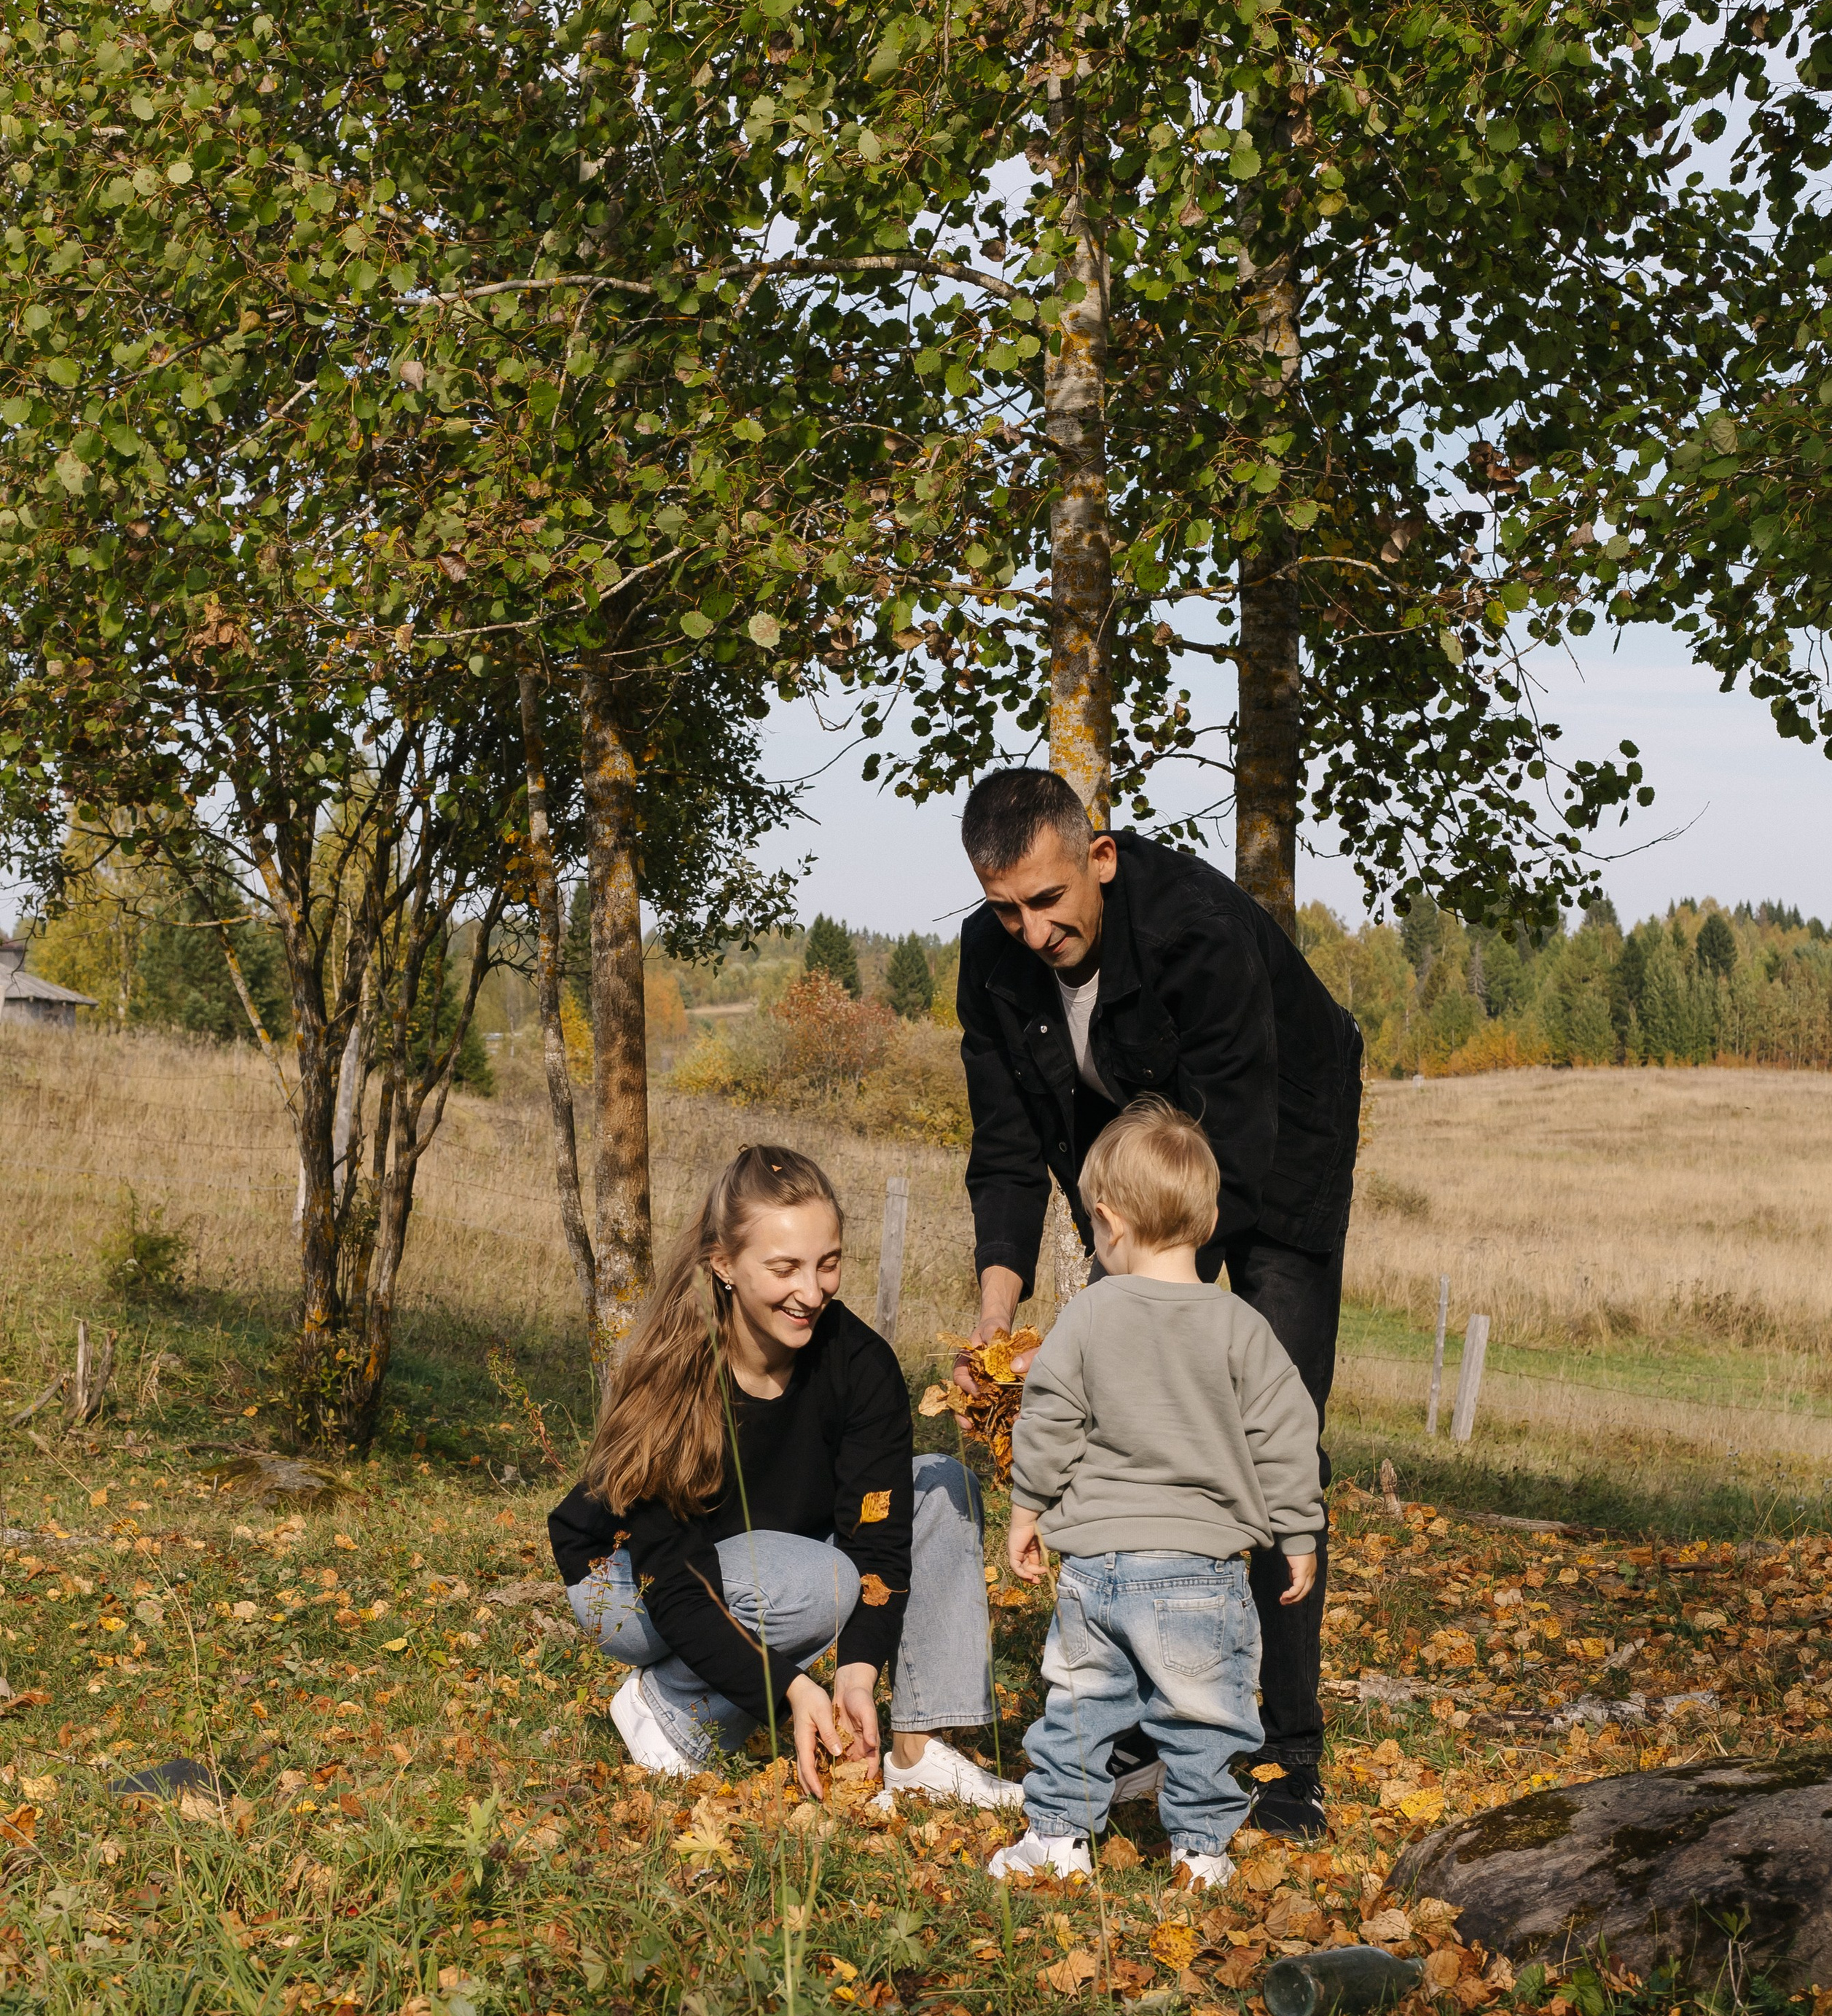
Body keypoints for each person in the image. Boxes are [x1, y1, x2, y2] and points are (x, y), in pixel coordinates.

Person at [957, 766, 1360, 1843]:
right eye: (1006, 909)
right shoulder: (990, 960)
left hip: (1279, 1143)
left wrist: (1124, 1319)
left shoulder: (1199, 932)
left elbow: (1238, 1147)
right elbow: (1005, 1149)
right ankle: (1145, 1706)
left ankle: (1282, 1751)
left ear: (1099, 859)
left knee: (1265, 1434)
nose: (1031, 932)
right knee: (1122, 1427)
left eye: (1048, 901)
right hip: (1134, 1167)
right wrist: (997, 1317)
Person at [547, 1143, 1023, 1808]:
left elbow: (880, 1545)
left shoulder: (862, 1365)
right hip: (628, 1583)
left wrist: (856, 1677)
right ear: (724, 1264)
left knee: (943, 1485)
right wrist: (790, 1690)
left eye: (827, 1263)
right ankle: (668, 1705)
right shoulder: (676, 1372)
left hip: (773, 1561)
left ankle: (917, 1751)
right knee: (825, 1583)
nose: (812, 1291)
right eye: (784, 1268)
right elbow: (674, 1583)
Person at [990, 1101, 1322, 1888]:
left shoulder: (1089, 1314)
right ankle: (1200, 1851)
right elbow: (1286, 1433)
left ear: (1108, 1221)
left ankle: (1058, 1839)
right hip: (1203, 1570)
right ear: (1207, 1220)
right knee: (1204, 1716)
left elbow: (1050, 1419)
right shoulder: (1241, 1326)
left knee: (1080, 1704)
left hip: (1096, 1565)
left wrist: (1027, 1509)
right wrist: (1298, 1532)